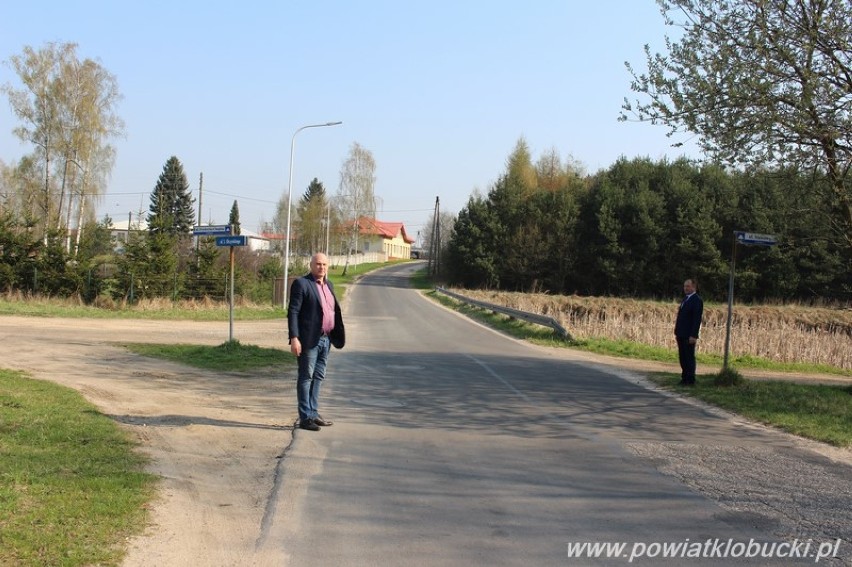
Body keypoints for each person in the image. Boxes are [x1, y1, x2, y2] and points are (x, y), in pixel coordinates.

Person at [288, 252, 345, 431]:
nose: (321, 267)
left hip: (326, 339)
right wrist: (294, 338)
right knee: (306, 377)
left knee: (318, 377)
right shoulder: (301, 284)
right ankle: (305, 417)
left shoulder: (329, 284)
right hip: (308, 340)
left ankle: (313, 412)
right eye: (318, 264)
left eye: (324, 265)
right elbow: (293, 312)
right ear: (311, 265)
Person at [674, 278, 704, 385]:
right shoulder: (685, 299)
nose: (685, 288)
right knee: (682, 357)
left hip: (689, 335)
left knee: (689, 357)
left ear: (694, 287)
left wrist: (693, 335)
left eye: (688, 286)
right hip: (681, 333)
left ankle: (690, 380)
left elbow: (696, 319)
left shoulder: (697, 300)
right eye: (684, 286)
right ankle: (684, 378)